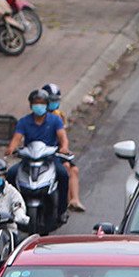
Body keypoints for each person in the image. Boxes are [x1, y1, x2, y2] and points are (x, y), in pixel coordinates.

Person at [8, 86, 76, 216]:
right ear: (31, 105)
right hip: (29, 159)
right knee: (11, 174)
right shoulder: (24, 121)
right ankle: (13, 208)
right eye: (36, 103)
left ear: (47, 105)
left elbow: (62, 137)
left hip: (50, 158)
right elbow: (17, 138)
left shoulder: (55, 120)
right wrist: (11, 148)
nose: (39, 106)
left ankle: (62, 209)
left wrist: (64, 147)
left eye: (42, 103)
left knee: (63, 175)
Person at [41, 83, 85, 215]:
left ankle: (74, 200)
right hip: (42, 154)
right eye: (51, 100)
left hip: (57, 152)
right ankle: (63, 203)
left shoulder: (59, 116)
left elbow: (62, 138)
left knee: (74, 169)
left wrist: (64, 148)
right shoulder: (37, 118)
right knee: (65, 167)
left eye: (56, 100)